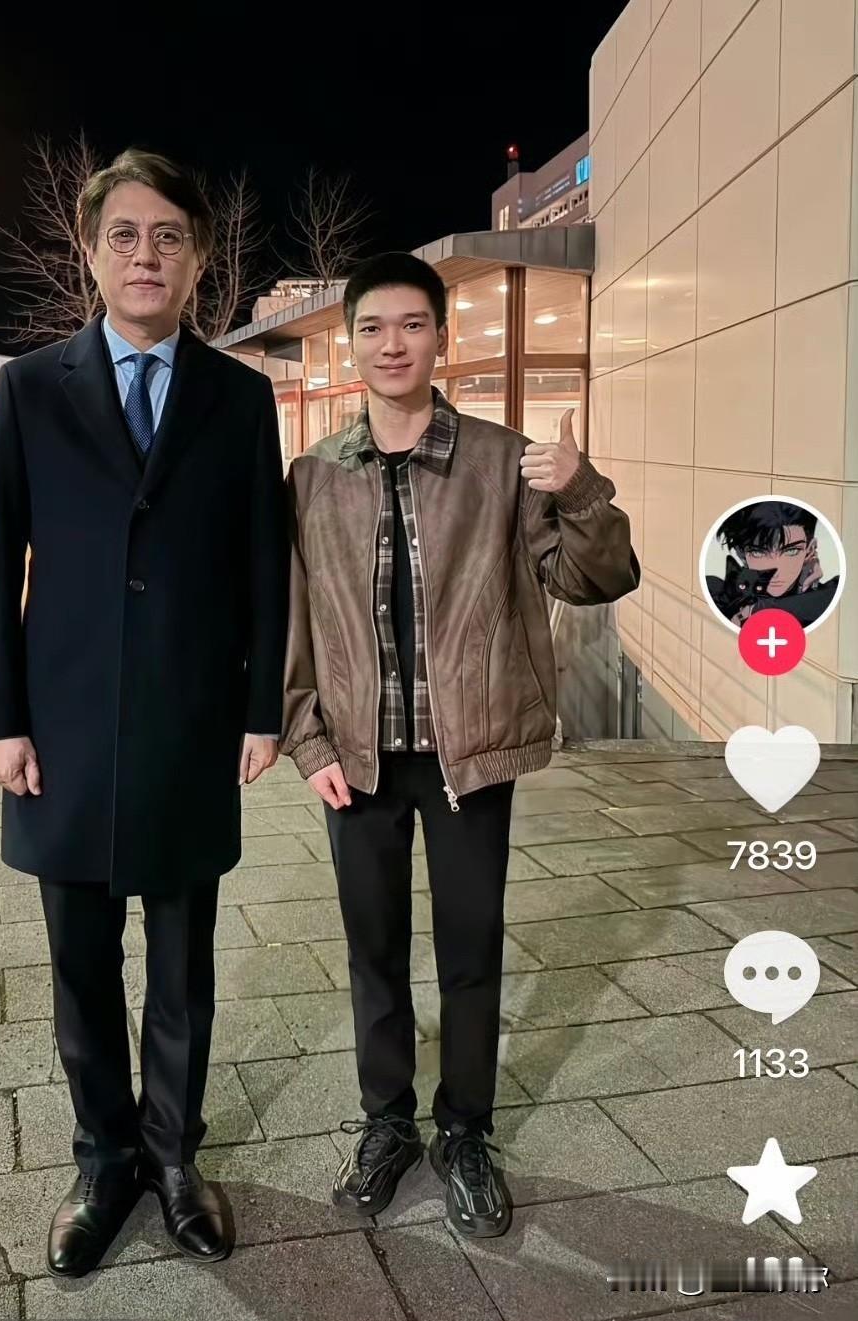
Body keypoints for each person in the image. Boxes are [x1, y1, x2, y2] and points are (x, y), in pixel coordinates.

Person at [0, 148, 288, 1278]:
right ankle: (103, 1162)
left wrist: (261, 709)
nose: (147, 255)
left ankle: (174, 1158)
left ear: (198, 261)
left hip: (191, 723)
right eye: (125, 236)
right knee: (81, 966)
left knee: (184, 963)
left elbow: (264, 565)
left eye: (169, 237)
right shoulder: (30, 388)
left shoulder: (240, 398)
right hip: (61, 733)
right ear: (91, 254)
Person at [281, 252, 639, 1239]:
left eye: (410, 325)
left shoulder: (501, 462)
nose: (390, 344)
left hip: (467, 755)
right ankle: (386, 1124)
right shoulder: (313, 474)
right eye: (371, 327)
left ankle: (466, 1133)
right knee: (372, 951)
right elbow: (292, 620)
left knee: (470, 952)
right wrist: (305, 735)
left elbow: (596, 579)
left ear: (440, 338)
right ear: (351, 343)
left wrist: (581, 489)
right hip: (355, 759)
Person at [706, 500, 838, 627]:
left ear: (810, 550)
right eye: (758, 552)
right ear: (742, 554)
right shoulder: (719, 593)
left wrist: (757, 609)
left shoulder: (828, 594)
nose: (776, 569)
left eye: (791, 551)